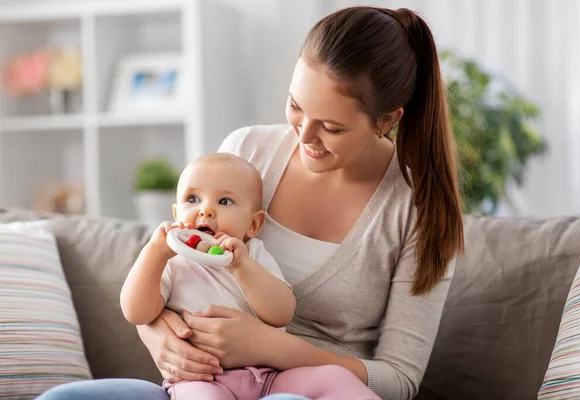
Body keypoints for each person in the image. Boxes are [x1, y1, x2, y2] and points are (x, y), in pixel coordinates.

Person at [36, 6, 463, 400]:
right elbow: (172, 277)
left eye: (331, 127)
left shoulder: (419, 211)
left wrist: (274, 347)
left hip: (305, 389)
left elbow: (400, 380)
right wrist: (162, 337)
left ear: (387, 121)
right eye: (296, 106)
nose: (304, 135)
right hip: (202, 383)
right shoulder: (248, 151)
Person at [119, 153, 378, 399]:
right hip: (200, 379)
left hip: (269, 377)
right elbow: (136, 312)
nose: (205, 210)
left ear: (253, 225)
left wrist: (240, 265)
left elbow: (281, 313)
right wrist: (154, 253)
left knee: (334, 378)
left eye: (224, 202)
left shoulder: (252, 255)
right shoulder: (172, 261)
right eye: (193, 199)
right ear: (176, 215)